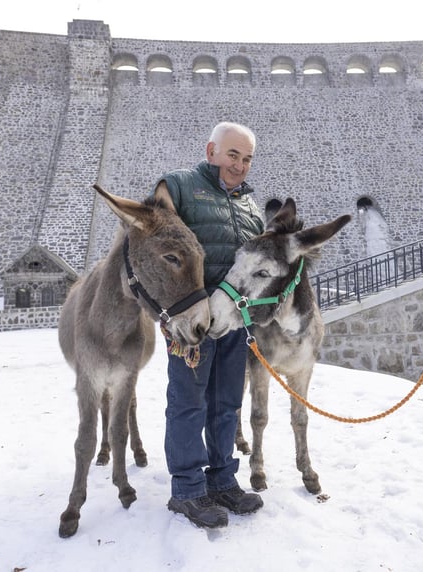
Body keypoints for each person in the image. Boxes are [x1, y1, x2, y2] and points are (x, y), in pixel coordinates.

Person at [149, 121, 265, 529]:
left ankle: (221, 480)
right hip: (191, 323)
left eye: (247, 158)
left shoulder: (251, 207)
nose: (240, 165)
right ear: (211, 150)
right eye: (233, 154)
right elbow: (154, 248)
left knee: (226, 404)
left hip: (233, 322)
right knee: (189, 403)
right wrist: (167, 311)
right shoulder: (180, 186)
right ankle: (188, 490)